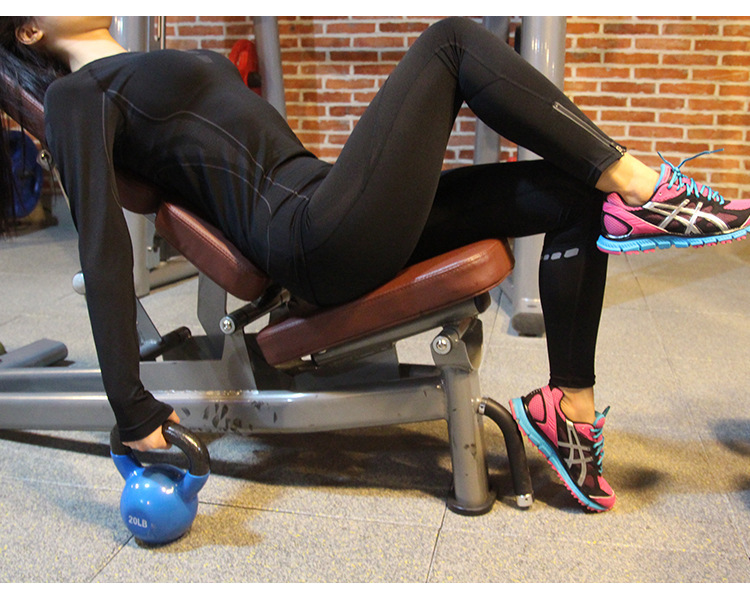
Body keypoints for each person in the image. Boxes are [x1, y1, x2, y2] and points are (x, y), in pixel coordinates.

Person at [2, 16, 749, 513]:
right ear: (31, 29)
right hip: (308, 235)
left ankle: (570, 412)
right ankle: (649, 189)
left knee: (573, 197)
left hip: (326, 200)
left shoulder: (155, 61)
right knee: (453, 43)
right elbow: (101, 245)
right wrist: (133, 412)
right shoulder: (74, 94)